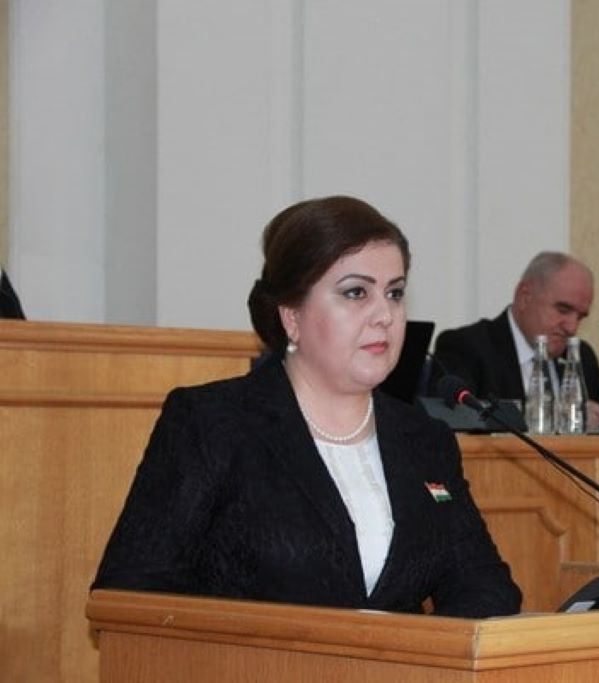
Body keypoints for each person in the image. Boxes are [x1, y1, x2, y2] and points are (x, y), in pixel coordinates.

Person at [92, 196, 521, 618]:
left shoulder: (424, 439)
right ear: (291, 317)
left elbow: (486, 587)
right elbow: (130, 595)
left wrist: (416, 651)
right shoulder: (212, 423)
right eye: (356, 293)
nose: (385, 316)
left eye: (394, 293)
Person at [432, 251, 599, 428]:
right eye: (563, 309)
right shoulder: (467, 346)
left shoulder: (578, 355)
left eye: (580, 317)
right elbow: (457, 417)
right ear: (525, 296)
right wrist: (564, 416)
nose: (572, 327)